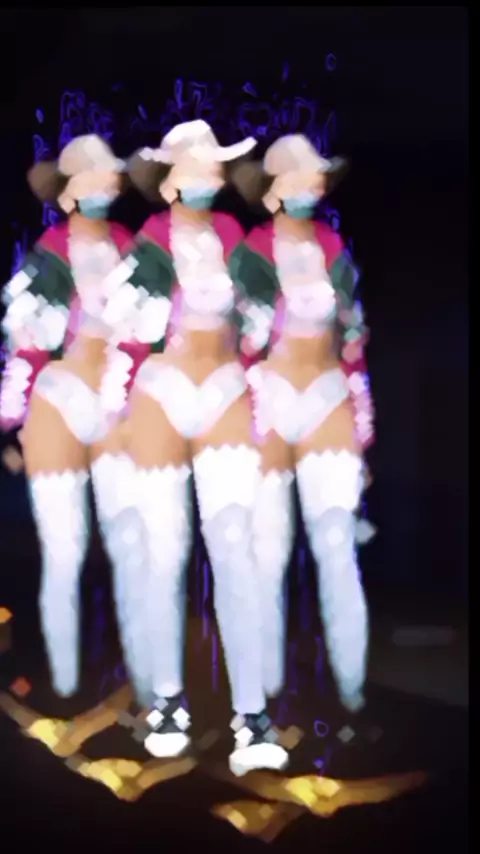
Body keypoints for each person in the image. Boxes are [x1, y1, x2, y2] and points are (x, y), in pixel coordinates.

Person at [101, 120, 288, 775]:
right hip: (161, 400)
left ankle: (251, 715)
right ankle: (167, 703)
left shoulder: (236, 237)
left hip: (226, 399)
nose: (208, 173)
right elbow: (124, 335)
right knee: (163, 554)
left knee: (236, 554)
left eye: (214, 164)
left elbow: (266, 324)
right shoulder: (149, 244)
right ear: (169, 180)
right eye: (195, 164)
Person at [0, 135, 154, 706]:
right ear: (67, 193)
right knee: (63, 551)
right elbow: (25, 347)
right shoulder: (46, 257)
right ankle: (61, 678)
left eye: (109, 176)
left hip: (117, 412)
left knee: (127, 543)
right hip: (58, 408)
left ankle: (138, 674)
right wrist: (11, 425)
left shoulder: (133, 251)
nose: (105, 185)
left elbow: (150, 334)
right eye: (92, 177)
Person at [230, 134, 375, 715]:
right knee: (268, 551)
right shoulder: (251, 253)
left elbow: (354, 342)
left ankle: (352, 688)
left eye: (317, 176)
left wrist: (360, 435)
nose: (313, 185)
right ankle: (264, 686)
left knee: (337, 548)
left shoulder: (334, 247)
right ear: (274, 189)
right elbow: (240, 347)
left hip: (328, 401)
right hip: (269, 406)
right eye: (301, 175)